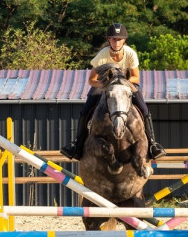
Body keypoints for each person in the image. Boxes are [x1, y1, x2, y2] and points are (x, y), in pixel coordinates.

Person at [60, 23, 166, 161]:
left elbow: (136, 77)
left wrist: (120, 83)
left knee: (144, 110)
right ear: (109, 40)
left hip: (126, 85)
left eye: (119, 39)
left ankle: (152, 144)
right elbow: (91, 80)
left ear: (124, 40)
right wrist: (107, 84)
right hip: (104, 85)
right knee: (86, 110)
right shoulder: (102, 55)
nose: (117, 42)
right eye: (114, 39)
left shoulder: (130, 53)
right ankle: (77, 145)